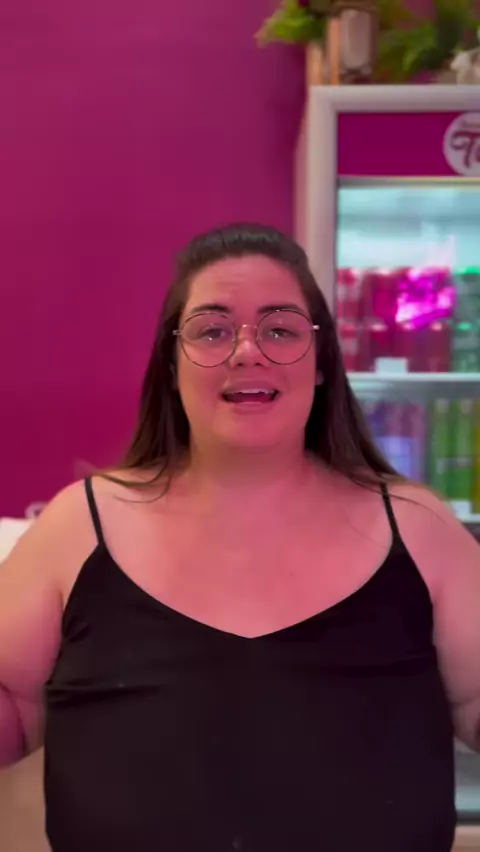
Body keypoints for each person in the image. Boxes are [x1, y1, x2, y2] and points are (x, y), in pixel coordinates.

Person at [0, 223, 479, 852]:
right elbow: (12, 706)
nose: (247, 351)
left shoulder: (417, 527)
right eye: (212, 330)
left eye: (280, 329)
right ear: (171, 365)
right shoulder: (79, 525)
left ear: (321, 363)